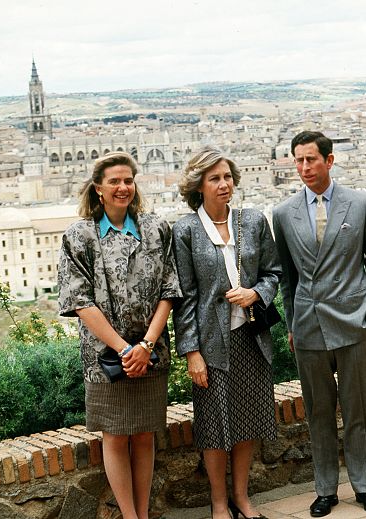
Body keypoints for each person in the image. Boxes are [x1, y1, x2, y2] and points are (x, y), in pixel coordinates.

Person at [58, 152, 181, 519]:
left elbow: (169, 289)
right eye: (114, 181)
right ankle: (130, 516)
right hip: (105, 358)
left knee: (144, 435)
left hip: (151, 353)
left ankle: (141, 513)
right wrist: (127, 348)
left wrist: (145, 345)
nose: (123, 187)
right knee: (114, 436)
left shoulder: (156, 229)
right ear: (98, 189)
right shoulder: (79, 235)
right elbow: (79, 301)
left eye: (128, 180)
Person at [272, 131, 366, 517]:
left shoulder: (360, 203)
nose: (305, 167)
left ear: (329, 160)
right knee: (318, 410)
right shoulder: (283, 213)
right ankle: (325, 489)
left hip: (354, 321)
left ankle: (365, 485)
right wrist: (292, 322)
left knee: (359, 408)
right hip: (308, 324)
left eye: (311, 159)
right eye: (299, 160)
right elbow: (287, 278)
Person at [172, 146, 281, 519]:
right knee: (215, 425)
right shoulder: (185, 230)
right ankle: (219, 503)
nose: (224, 184)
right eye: (215, 178)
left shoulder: (252, 221)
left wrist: (256, 293)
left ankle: (242, 499)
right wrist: (191, 352)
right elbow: (183, 297)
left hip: (251, 337)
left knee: (247, 419)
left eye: (228, 177)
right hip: (210, 342)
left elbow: (273, 272)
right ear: (198, 185)